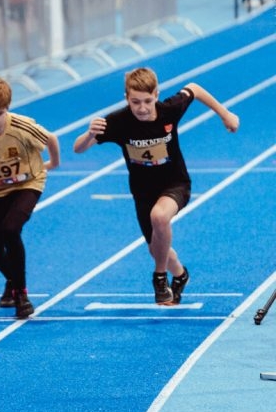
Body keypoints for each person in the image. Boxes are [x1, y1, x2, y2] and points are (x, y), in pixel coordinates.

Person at [74, 68, 239, 304]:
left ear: (156, 95)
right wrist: (90, 134)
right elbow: (78, 149)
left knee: (160, 217)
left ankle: (159, 277)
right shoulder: (118, 122)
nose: (142, 108)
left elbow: (195, 88)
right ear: (126, 98)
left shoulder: (169, 111)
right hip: (142, 192)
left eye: (148, 101)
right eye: (135, 102)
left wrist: (225, 114)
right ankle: (180, 275)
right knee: (156, 249)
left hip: (176, 183)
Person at [0, 77, 60, 319]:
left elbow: (51, 138)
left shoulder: (21, 127)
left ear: (7, 109)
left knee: (11, 229)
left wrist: (54, 163)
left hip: (29, 183)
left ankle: (21, 294)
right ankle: (12, 280)